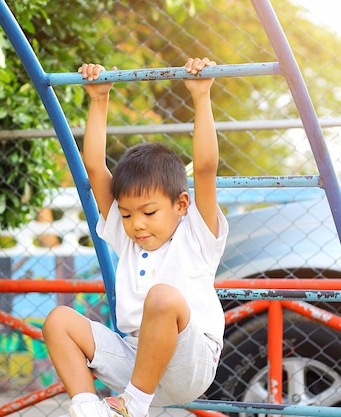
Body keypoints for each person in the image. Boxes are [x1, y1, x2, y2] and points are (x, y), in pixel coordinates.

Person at [42, 57, 229, 417]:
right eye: (127, 215)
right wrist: (98, 99)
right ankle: (88, 410)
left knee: (161, 298)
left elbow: (205, 169)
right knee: (59, 321)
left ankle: (132, 408)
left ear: (181, 204)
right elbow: (95, 168)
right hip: (135, 360)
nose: (136, 225)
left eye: (148, 213)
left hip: (191, 361)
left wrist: (202, 95)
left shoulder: (197, 232)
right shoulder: (126, 235)